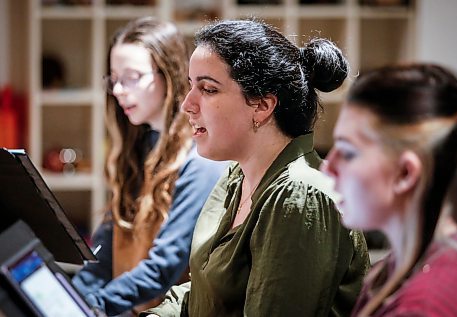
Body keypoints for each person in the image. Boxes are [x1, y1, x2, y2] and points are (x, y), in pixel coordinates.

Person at [141, 19, 370, 317]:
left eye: (208, 89)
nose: (187, 104)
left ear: (262, 106)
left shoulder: (299, 195)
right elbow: (208, 290)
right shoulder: (236, 177)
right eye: (190, 85)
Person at [72, 17, 227, 316]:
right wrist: (68, 297)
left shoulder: (199, 160)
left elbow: (164, 269)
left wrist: (91, 306)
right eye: (113, 78)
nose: (118, 90)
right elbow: (103, 257)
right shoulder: (136, 153)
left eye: (131, 77)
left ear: (170, 75)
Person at [322, 63, 457, 316]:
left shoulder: (426, 304)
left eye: (348, 153)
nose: (327, 168)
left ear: (405, 174)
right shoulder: (405, 266)